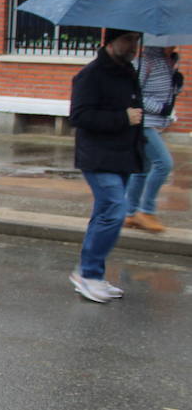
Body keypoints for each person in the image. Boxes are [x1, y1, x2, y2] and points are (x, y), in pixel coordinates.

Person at [69, 27, 144, 303]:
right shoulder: (91, 75)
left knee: (104, 213)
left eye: (136, 40)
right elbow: (79, 116)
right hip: (98, 156)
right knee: (115, 210)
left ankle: (91, 274)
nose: (133, 45)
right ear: (111, 41)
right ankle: (88, 274)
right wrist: (122, 118)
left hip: (122, 155)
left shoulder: (127, 71)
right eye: (128, 40)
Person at [125, 45, 182, 233]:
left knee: (142, 169)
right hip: (143, 123)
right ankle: (146, 211)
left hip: (154, 122)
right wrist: (161, 109)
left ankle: (130, 213)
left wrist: (176, 84)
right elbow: (134, 94)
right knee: (164, 163)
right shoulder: (145, 62)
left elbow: (163, 94)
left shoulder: (169, 61)